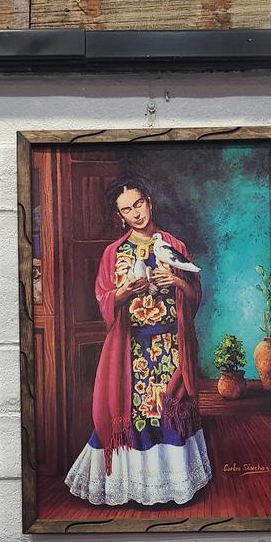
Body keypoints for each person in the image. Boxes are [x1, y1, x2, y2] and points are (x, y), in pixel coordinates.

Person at [65, 175, 212, 506]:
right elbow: (103, 300)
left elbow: (194, 298)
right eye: (126, 209)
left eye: (138, 204)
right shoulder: (113, 253)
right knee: (134, 414)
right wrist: (124, 292)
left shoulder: (175, 246)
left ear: (149, 202)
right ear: (119, 215)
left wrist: (177, 281)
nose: (135, 213)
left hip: (171, 347)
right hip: (130, 350)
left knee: (169, 411)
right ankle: (135, 488)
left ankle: (172, 487)